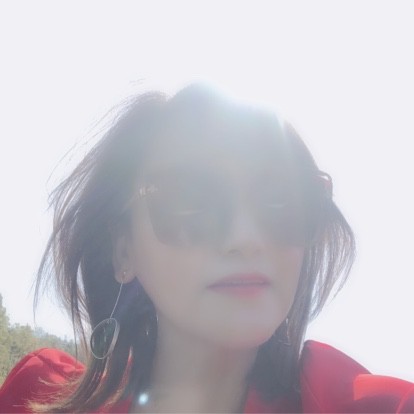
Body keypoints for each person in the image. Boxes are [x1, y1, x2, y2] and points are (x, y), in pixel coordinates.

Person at [0, 84, 413, 413]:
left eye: (282, 201)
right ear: (123, 251)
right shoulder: (32, 397)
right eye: (190, 201)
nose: (246, 238)